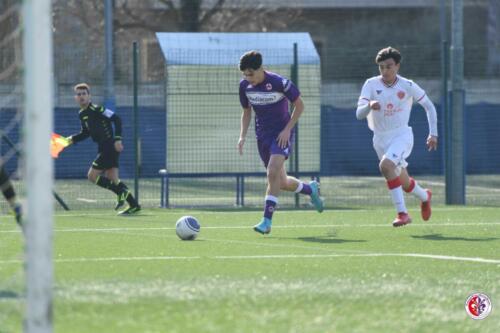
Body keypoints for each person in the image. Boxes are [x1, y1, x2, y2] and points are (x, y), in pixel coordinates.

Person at [238, 50, 324, 235]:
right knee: (282, 182)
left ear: (261, 68)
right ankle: (311, 189)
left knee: (272, 172)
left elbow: (300, 105)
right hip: (262, 136)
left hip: (281, 135)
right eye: (244, 74)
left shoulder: (279, 83)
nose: (248, 78)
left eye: (251, 73)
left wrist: (287, 129)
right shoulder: (245, 86)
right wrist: (242, 136)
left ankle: (266, 221)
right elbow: (246, 112)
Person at [356, 46, 437, 227]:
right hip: (380, 139)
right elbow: (359, 114)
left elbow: (429, 106)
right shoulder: (370, 84)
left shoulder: (407, 85)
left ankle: (402, 213)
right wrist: (369, 105)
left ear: (397, 66)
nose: (385, 71)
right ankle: (425, 196)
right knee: (404, 182)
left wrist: (433, 133)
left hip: (401, 135)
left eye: (389, 66)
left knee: (386, 166)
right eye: (381, 67)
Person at [66, 83, 140, 215]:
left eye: (84, 93)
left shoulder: (97, 109)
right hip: (103, 147)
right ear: (75, 98)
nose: (81, 96)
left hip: (109, 146)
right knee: (113, 179)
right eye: (79, 94)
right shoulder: (82, 114)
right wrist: (71, 139)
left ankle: (121, 192)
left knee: (92, 176)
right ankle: (134, 205)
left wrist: (118, 139)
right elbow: (85, 133)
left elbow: (117, 119)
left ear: (89, 96)